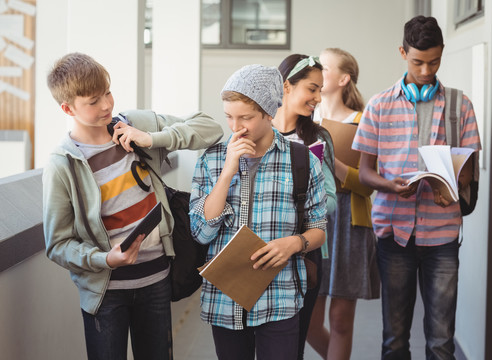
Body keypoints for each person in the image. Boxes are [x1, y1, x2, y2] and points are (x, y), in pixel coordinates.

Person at [42, 52, 223, 360]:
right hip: (105, 292)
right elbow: (57, 244)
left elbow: (211, 128)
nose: (106, 105)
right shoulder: (63, 164)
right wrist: (105, 259)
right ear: (67, 108)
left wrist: (152, 137)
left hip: (157, 280)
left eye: (108, 93)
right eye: (93, 101)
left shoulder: (134, 124)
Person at [353, 16, 482, 359]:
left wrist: (451, 187)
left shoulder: (460, 106)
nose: (426, 70)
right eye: (418, 61)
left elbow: (467, 171)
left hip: (442, 236)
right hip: (394, 233)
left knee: (441, 340)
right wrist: (390, 185)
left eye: (435, 61)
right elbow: (365, 172)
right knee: (394, 339)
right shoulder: (379, 106)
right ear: (402, 52)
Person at [189, 64, 328, 360]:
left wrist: (295, 243)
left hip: (280, 298)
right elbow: (201, 233)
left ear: (269, 112)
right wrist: (227, 172)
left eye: (246, 118)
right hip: (224, 302)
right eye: (229, 116)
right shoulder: (212, 160)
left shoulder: (302, 161)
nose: (236, 127)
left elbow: (318, 228)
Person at [308, 47, 380, 360]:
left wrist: (332, 160)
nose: (317, 71)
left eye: (324, 67)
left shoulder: (364, 122)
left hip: (351, 222)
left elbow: (368, 185)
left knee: (340, 319)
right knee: (307, 319)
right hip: (312, 221)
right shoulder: (304, 119)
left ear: (343, 78)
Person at [271, 53, 337, 359]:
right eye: (312, 89)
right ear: (287, 86)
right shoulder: (256, 131)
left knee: (292, 347)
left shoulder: (317, 139)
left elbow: (331, 201)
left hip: (305, 254)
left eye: (320, 90)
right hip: (258, 250)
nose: (318, 98)